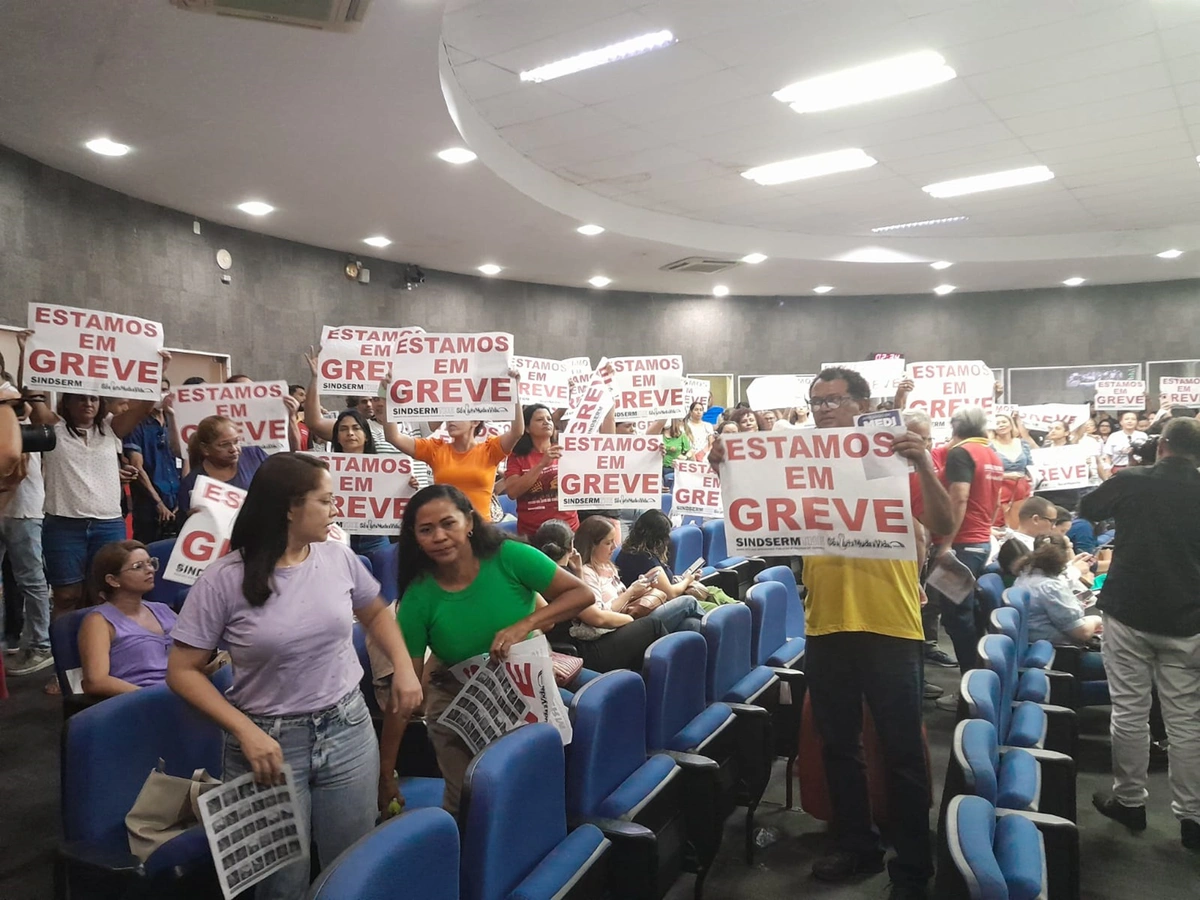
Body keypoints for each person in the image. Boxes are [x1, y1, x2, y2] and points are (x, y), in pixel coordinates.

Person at [712, 366, 955, 899]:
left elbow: (944, 523)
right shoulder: (797, 460)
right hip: (824, 625)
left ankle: (914, 867)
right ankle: (857, 844)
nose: (823, 410)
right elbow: (759, 519)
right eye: (815, 401)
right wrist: (727, 472)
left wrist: (923, 465)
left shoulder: (889, 453)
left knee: (902, 752)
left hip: (890, 624)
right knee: (840, 746)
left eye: (834, 400)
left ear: (863, 404)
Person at [168, 453, 422, 899]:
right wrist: (244, 731)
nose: (335, 510)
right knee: (279, 884)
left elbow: (376, 613)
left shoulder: (338, 557)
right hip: (267, 745)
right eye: (325, 501)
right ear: (290, 507)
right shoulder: (223, 580)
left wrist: (403, 667)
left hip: (347, 730)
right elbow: (182, 671)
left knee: (352, 868)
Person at [386, 485, 593, 814]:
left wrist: (523, 625)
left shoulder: (509, 556)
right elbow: (405, 690)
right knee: (473, 803)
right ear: (415, 537)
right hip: (456, 704)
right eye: (426, 530)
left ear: (469, 522)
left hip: (522, 690)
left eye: (447, 523)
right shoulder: (418, 597)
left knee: (532, 790)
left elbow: (581, 595)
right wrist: (386, 774)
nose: (438, 536)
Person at [1080, 417, 1200, 849]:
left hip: (1129, 611)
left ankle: (1130, 800)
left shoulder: (1133, 479)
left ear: (1161, 445)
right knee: (1186, 720)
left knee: (1129, 711)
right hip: (1188, 618)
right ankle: (1193, 817)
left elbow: (1088, 508)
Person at [17, 336, 165, 623]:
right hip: (63, 524)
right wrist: (28, 353)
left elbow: (144, 405)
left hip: (108, 525)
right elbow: (33, 395)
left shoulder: (112, 430)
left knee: (107, 594)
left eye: (93, 398)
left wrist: (156, 367)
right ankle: (67, 663)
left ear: (101, 403)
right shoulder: (53, 429)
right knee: (66, 596)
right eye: (81, 398)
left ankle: (107, 651)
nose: (88, 403)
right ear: (67, 402)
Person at [925, 407, 1003, 706]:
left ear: (956, 427)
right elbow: (995, 501)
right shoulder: (992, 455)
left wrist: (946, 543)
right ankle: (976, 684)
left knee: (959, 621)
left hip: (961, 545)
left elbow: (959, 497)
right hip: (979, 541)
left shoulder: (961, 453)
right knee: (968, 616)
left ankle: (970, 691)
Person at [380, 373, 524, 521]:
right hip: (447, 528)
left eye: (457, 415)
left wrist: (514, 391)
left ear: (475, 421)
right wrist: (386, 397)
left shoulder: (490, 450)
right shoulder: (435, 449)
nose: (450, 421)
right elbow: (393, 437)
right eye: (448, 416)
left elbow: (517, 431)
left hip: (481, 532)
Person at [532, 519, 667, 674]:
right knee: (653, 626)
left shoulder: (540, 573)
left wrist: (578, 574)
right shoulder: (563, 578)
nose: (613, 547)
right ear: (571, 546)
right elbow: (597, 618)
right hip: (582, 652)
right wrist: (630, 620)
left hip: (568, 646)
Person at [77, 541, 179, 696]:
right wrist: (158, 698)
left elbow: (188, 662)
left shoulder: (163, 609)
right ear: (113, 580)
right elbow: (96, 682)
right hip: (140, 703)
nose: (150, 570)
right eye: (138, 566)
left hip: (181, 692)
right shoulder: (98, 622)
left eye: (150, 563)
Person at [576, 515, 705, 635]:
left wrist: (638, 589)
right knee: (689, 602)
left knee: (692, 624)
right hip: (621, 626)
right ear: (592, 546)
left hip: (634, 615)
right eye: (608, 543)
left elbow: (623, 599)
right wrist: (631, 591)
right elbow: (602, 614)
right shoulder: (587, 573)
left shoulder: (608, 565)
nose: (614, 547)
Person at [0, 384, 52, 676]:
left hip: (22, 509)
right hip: (8, 507)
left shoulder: (10, 399)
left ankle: (40, 646)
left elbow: (14, 466)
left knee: (30, 580)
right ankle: (15, 643)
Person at [1013, 533, 1103, 651]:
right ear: (1064, 556)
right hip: (1063, 651)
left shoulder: (1024, 576)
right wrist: (1098, 620)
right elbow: (1083, 633)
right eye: (1069, 548)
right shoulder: (1051, 587)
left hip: (1037, 643)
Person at [503, 404, 578, 538]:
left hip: (569, 531)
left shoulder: (567, 450)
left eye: (549, 419)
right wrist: (541, 464)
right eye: (539, 420)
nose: (546, 422)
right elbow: (512, 492)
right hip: (532, 534)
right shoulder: (517, 457)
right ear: (526, 428)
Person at [124, 392, 183, 544]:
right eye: (157, 390)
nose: (161, 395)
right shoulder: (136, 426)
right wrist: (158, 503)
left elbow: (185, 459)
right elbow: (137, 467)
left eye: (164, 390)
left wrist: (182, 500)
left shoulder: (174, 423)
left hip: (177, 502)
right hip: (149, 507)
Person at [177, 415, 269, 512]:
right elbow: (187, 523)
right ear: (205, 449)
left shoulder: (255, 456)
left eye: (236, 441)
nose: (233, 449)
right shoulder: (192, 483)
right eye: (224, 445)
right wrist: (194, 519)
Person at [614, 509, 705, 602]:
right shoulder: (645, 560)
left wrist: (684, 579)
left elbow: (664, 584)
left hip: (657, 601)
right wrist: (688, 580)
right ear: (659, 538)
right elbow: (671, 594)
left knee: (713, 593)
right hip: (651, 607)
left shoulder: (631, 550)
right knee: (697, 602)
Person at [990, 413, 1034, 528]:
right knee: (1000, 524)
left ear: (1010, 424)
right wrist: (1006, 476)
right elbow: (986, 471)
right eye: (997, 423)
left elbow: (1030, 465)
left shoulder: (1023, 443)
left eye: (1004, 422)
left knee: (1022, 522)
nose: (1001, 425)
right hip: (1000, 489)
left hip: (1022, 488)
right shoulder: (989, 446)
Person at [288, 384, 310, 451]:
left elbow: (310, 449)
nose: (305, 399)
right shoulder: (279, 422)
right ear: (289, 397)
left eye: (305, 396)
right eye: (301, 395)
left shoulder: (306, 424)